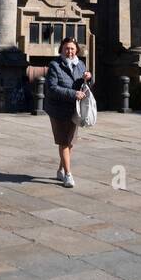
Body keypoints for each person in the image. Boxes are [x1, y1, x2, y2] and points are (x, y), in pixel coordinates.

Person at [44, 37, 92, 188]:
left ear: (76, 50)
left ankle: (60, 170)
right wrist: (73, 94)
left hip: (74, 109)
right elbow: (51, 88)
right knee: (64, 142)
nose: (69, 51)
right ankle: (68, 175)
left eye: (72, 48)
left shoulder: (80, 64)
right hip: (58, 110)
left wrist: (89, 78)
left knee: (69, 143)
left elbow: (83, 85)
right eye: (66, 48)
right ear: (62, 50)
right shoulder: (54, 65)